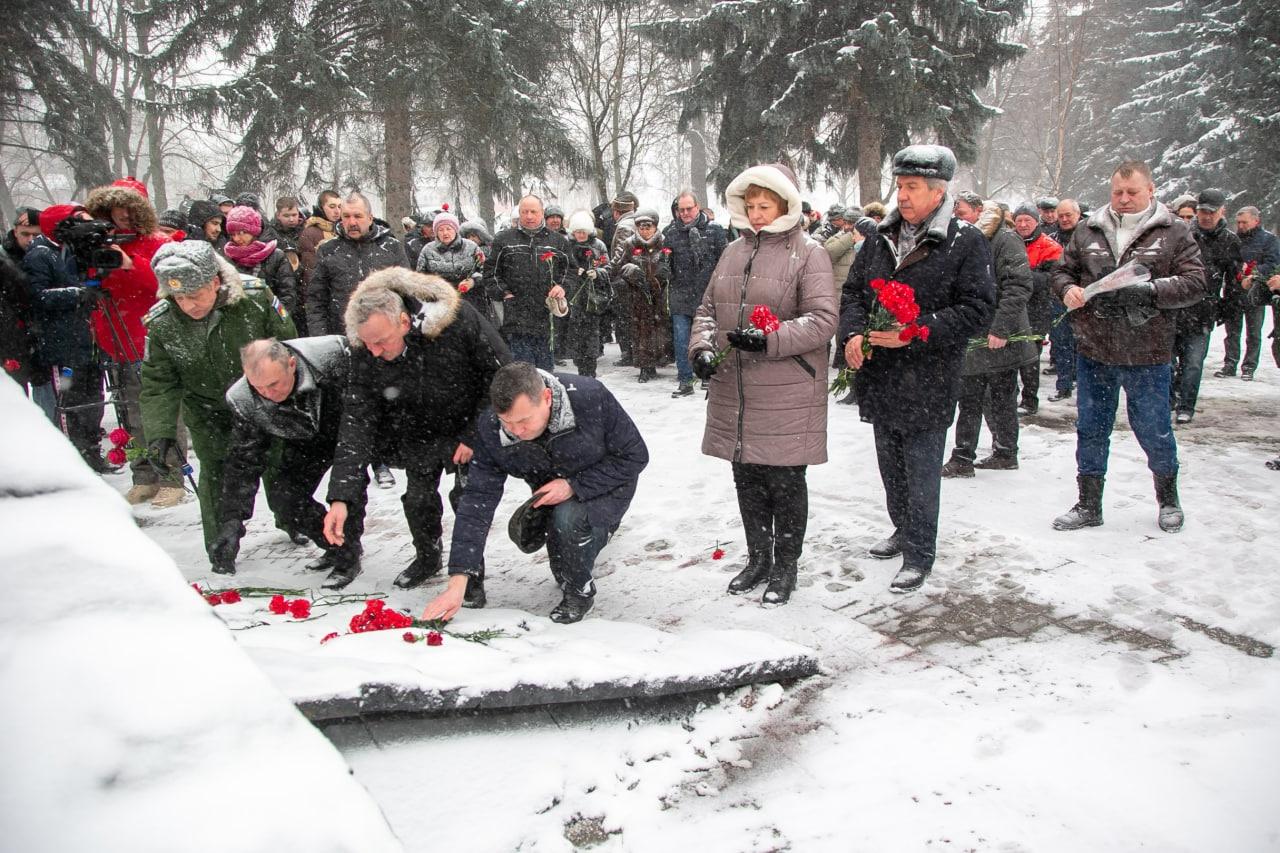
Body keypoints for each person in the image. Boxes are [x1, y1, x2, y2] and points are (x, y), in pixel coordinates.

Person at [838, 145, 996, 593]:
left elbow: (977, 309)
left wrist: (918, 330)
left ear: (938, 191)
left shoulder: (965, 241)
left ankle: (919, 551)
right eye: (900, 186)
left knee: (922, 468)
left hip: (929, 376)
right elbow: (852, 294)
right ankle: (901, 529)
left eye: (912, 188)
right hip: (883, 375)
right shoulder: (880, 239)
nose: (902, 196)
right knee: (890, 465)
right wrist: (851, 334)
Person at [690, 163, 836, 605]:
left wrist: (769, 339)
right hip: (737, 392)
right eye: (751, 206)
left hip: (787, 391)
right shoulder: (733, 252)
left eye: (765, 206)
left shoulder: (810, 253)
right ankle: (758, 558)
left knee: (785, 484)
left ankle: (786, 566)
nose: (756, 214)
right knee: (747, 479)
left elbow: (823, 320)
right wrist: (702, 349)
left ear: (785, 205)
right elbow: (707, 310)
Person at [322, 268, 510, 590]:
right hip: (414, 426)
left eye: (381, 342)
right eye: (368, 345)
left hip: (465, 422)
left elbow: (502, 377)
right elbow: (357, 421)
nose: (374, 352)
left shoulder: (457, 319)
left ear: (405, 322)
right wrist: (340, 497)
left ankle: (470, 573)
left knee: (466, 500)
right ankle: (428, 555)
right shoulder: (366, 347)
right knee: (418, 500)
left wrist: (473, 434)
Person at [420, 362, 649, 624]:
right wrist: (457, 581)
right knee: (563, 565)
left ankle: (580, 593)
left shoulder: (590, 397)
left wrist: (572, 485)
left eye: (524, 420)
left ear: (547, 398)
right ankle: (593, 536)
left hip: (608, 480)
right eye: (508, 422)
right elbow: (477, 501)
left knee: (569, 520)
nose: (517, 431)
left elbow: (635, 456)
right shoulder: (492, 427)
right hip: (550, 490)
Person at [1050, 160, 1205, 534]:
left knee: (1153, 429)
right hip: (1094, 349)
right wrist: (1066, 288)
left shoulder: (1173, 231)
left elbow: (1196, 281)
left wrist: (1150, 292)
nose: (1123, 199)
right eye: (1117, 192)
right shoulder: (1089, 229)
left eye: (1132, 192)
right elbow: (1061, 270)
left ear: (1150, 190)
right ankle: (1089, 504)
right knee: (1090, 428)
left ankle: (1168, 499)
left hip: (1147, 352)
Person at [140, 240, 297, 565]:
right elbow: (158, 383)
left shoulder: (254, 298)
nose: (188, 305)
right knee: (215, 473)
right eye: (179, 298)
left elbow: (289, 345)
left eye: (195, 295)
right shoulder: (162, 323)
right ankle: (221, 545)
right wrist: (161, 433)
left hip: (262, 400)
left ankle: (294, 520)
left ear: (215, 281)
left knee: (278, 465)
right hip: (207, 409)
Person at [212, 336, 364, 587]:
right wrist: (232, 521)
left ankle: (349, 554)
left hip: (351, 428)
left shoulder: (332, 354)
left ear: (291, 364)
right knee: (285, 498)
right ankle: (335, 545)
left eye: (274, 384)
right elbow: (243, 461)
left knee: (346, 492)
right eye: (259, 388)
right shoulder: (242, 399)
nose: (268, 394)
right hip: (304, 438)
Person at [84, 178, 183, 504]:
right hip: (115, 341)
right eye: (116, 208)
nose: (122, 215)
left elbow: (168, 282)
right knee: (129, 414)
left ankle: (171, 476)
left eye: (129, 208)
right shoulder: (102, 242)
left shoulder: (155, 243)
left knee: (162, 411)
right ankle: (143, 474)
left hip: (151, 338)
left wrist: (130, 265)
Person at [942, 200, 1035, 477]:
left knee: (1001, 396)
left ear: (979, 211)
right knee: (970, 397)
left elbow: (1018, 285)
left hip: (998, 336)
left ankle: (1003, 452)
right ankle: (966, 457)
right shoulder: (964, 239)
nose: (958, 219)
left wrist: (1001, 328)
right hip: (974, 332)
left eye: (962, 214)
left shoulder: (1004, 239)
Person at [21, 204, 109, 470]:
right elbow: (37, 297)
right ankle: (74, 459)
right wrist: (78, 294)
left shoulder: (73, 249)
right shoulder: (40, 255)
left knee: (94, 398)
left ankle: (92, 450)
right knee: (70, 402)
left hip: (87, 339)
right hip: (62, 344)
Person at [482, 195, 573, 370]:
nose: (529, 216)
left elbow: (571, 271)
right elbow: (491, 273)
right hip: (516, 318)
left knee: (545, 372)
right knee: (522, 372)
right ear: (519, 213)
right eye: (525, 212)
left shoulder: (558, 242)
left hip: (546, 316)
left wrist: (562, 287)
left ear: (542, 213)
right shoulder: (504, 240)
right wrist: (504, 294)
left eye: (534, 212)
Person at [1177, 189, 1241, 423]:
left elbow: (1234, 281)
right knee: (1167, 361)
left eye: (1211, 212)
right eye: (1202, 211)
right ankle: (1169, 400)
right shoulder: (1184, 234)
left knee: (1193, 363)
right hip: (1175, 307)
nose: (1205, 216)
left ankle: (1186, 406)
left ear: (1222, 211)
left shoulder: (1230, 241)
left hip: (1203, 311)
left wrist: (1226, 309)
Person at [664, 190, 728, 397]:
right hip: (680, 294)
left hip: (707, 294)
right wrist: (663, 267)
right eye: (681, 210)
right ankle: (685, 380)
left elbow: (724, 261)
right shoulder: (670, 232)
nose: (685, 213)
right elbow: (665, 262)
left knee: (707, 339)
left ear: (697, 207)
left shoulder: (715, 230)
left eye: (688, 209)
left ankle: (708, 376)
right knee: (681, 340)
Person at [1012, 202, 1063, 416]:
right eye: (1019, 220)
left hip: (1036, 309)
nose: (1023, 225)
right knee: (1009, 357)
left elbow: (1050, 278)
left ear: (1036, 222)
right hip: (1011, 308)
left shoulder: (1049, 246)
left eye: (1027, 220)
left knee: (1030, 357)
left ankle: (1030, 399)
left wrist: (1020, 277)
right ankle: (1010, 396)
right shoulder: (1008, 240)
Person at [1218, 206, 1280, 379]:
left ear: (1256, 221)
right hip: (1232, 291)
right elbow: (1225, 262)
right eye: (1238, 222)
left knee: (1253, 333)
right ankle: (1230, 364)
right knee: (1232, 332)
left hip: (1255, 292)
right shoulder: (1232, 239)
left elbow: (1273, 263)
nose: (1241, 226)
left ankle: (1249, 367)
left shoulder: (1269, 240)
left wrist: (1254, 271)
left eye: (1244, 222)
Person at [614, 209, 671, 383]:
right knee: (641, 331)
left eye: (648, 226)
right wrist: (631, 272)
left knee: (659, 329)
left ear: (655, 227)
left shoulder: (664, 243)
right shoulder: (630, 244)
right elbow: (618, 266)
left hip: (659, 295)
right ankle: (644, 367)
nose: (645, 230)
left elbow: (671, 266)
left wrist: (662, 274)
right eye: (641, 226)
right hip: (637, 295)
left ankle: (657, 361)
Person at [223, 205, 301, 321]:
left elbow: (287, 295)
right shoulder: (228, 259)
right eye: (233, 234)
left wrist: (275, 320)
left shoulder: (275, 256)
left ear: (253, 231)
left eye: (242, 232)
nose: (237, 238)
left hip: (269, 323)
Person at [565, 210, 613, 378]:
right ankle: (580, 364)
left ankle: (590, 368)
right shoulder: (566, 245)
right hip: (573, 296)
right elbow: (560, 267)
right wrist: (573, 271)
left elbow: (608, 267)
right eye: (577, 232)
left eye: (583, 231)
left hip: (593, 298)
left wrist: (597, 273)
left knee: (592, 333)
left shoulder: (598, 245)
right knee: (575, 334)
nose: (580, 235)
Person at [417, 210, 486, 317]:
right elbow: (420, 280)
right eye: (440, 230)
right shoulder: (427, 250)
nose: (445, 233)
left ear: (455, 230)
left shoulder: (471, 247)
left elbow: (485, 271)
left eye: (448, 229)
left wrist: (472, 281)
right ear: (436, 232)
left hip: (471, 302)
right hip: (440, 305)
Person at [1046, 199, 1082, 401]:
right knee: (1061, 342)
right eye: (1061, 216)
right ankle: (1064, 385)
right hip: (1059, 297)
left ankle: (1081, 381)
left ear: (1078, 215)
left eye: (1069, 215)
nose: (1065, 219)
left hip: (1084, 296)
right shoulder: (1052, 238)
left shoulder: (1088, 237)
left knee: (1082, 343)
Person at [298, 189, 342, 293]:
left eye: (339, 207)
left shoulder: (345, 231)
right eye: (332, 207)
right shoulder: (310, 233)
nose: (337, 211)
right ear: (321, 208)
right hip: (322, 293)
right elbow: (310, 273)